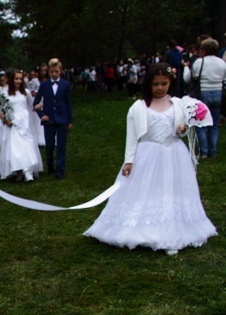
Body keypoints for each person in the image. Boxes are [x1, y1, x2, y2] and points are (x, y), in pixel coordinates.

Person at [84, 63, 217, 255]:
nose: (160, 88)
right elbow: (132, 137)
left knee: (171, 191)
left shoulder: (178, 104)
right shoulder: (138, 107)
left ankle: (172, 232)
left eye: (164, 83)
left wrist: (182, 129)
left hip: (173, 154)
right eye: (156, 84)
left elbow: (180, 129)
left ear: (170, 83)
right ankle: (140, 228)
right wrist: (129, 160)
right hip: (147, 153)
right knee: (147, 189)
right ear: (149, 85)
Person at [0, 69, 43, 182]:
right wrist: (5, 120)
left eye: (20, 79)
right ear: (12, 79)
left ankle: (28, 171)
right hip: (12, 123)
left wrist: (39, 107)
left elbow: (31, 106)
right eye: (16, 79)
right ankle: (19, 170)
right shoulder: (5, 94)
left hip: (24, 123)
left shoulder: (25, 92)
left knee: (27, 145)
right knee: (16, 147)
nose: (18, 81)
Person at [183, 38, 226, 158]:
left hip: (203, 93)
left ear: (204, 50)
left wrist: (186, 67)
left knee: (200, 123)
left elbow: (188, 79)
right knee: (214, 124)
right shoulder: (222, 63)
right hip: (218, 93)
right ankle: (213, 151)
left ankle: (204, 151)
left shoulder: (199, 62)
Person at [33, 58, 73, 179]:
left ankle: (60, 169)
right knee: (49, 145)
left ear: (60, 71)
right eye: (52, 71)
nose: (54, 74)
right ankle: (50, 165)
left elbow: (68, 104)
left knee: (61, 145)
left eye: (56, 71)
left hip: (62, 119)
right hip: (49, 120)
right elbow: (36, 102)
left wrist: (69, 120)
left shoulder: (65, 85)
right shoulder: (44, 85)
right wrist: (41, 115)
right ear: (48, 72)